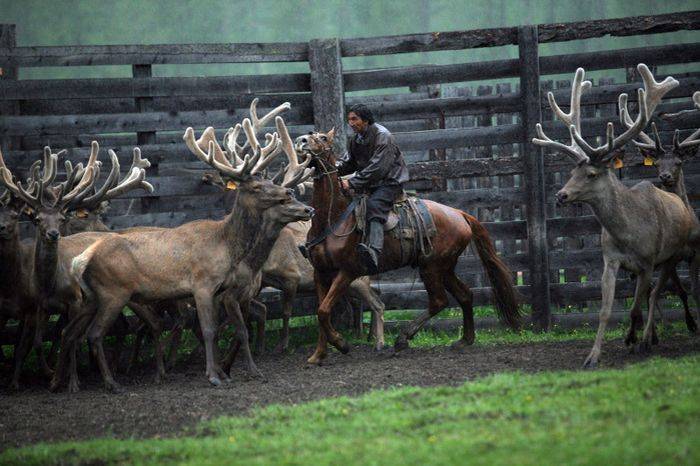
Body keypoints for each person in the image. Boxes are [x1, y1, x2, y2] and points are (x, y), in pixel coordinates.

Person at [337, 104, 409, 274]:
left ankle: (374, 252)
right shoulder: (356, 139)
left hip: (389, 181)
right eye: (349, 120)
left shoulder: (383, 136)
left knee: (374, 205)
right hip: (370, 182)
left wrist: (353, 183)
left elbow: (378, 168)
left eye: (355, 119)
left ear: (366, 120)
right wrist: (331, 169)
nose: (351, 123)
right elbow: (350, 163)